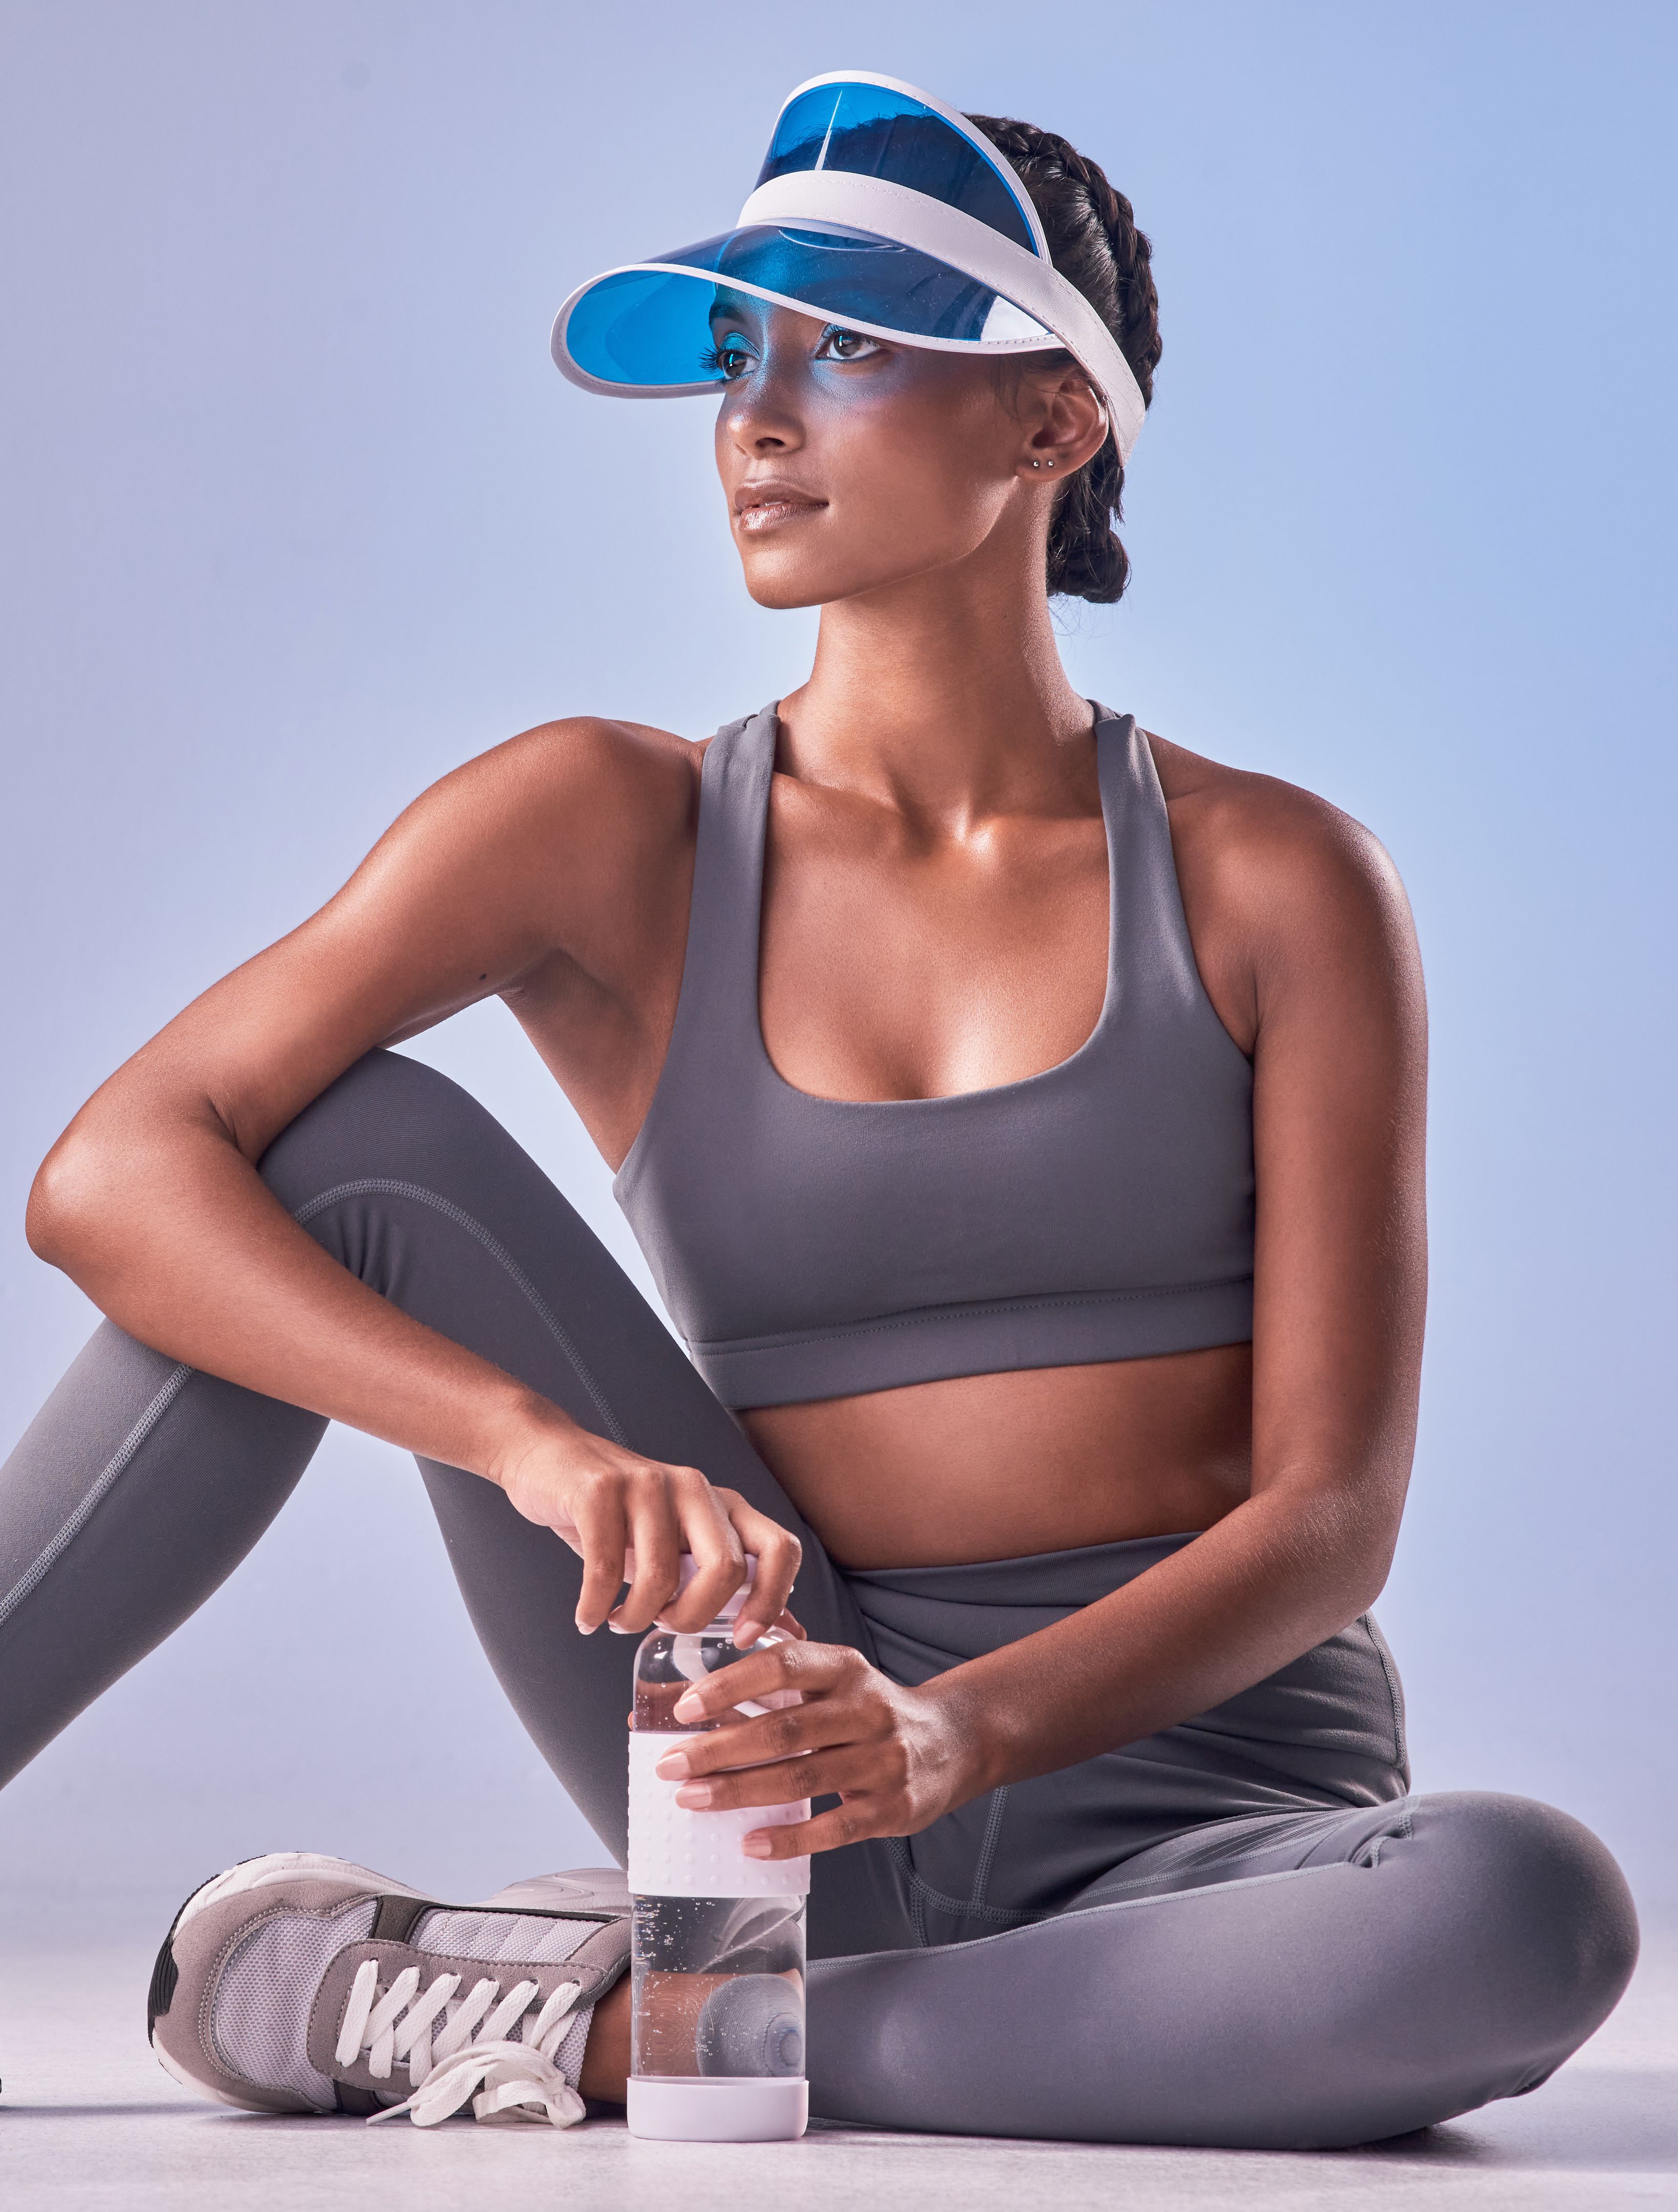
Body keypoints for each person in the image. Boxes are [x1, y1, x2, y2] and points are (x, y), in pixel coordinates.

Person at [4, 72, 1635, 2147]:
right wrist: (528, 1445)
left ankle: (609, 2023)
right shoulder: (603, 830)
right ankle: (752, 1993)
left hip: (1209, 1836)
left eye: (853, 348)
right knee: (333, 1150)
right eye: (738, 361)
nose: (758, 423)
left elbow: (1325, 1521)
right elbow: (114, 1172)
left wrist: (954, 1740)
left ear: (1050, 422)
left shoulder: (1274, 880)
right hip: (760, 1745)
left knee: (1520, 1913)